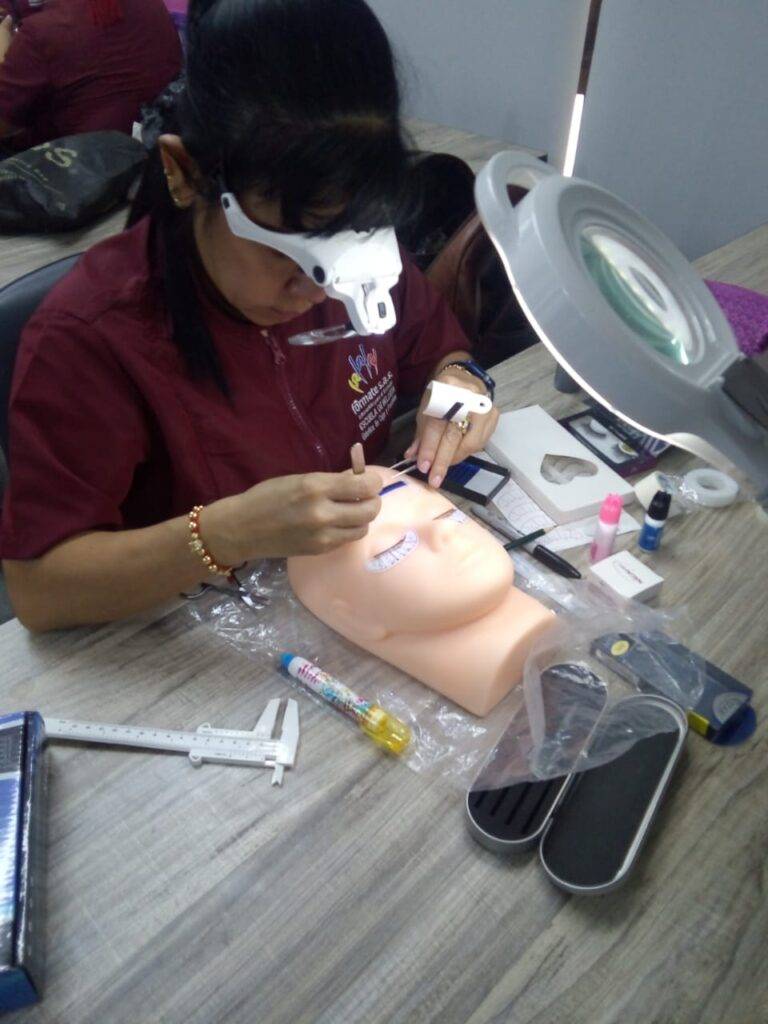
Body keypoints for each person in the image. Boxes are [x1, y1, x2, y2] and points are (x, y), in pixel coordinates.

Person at [0, 0, 500, 632]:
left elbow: (443, 353)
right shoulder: (93, 337)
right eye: (288, 248)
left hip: (362, 585)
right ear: (184, 174)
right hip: (207, 631)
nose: (316, 291)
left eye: (347, 241)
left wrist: (464, 387)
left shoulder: (355, 244)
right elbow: (41, 590)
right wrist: (226, 532)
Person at [0, 0, 182, 151]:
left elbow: (4, 125)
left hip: (76, 173)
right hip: (154, 154)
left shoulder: (44, 31)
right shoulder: (152, 5)